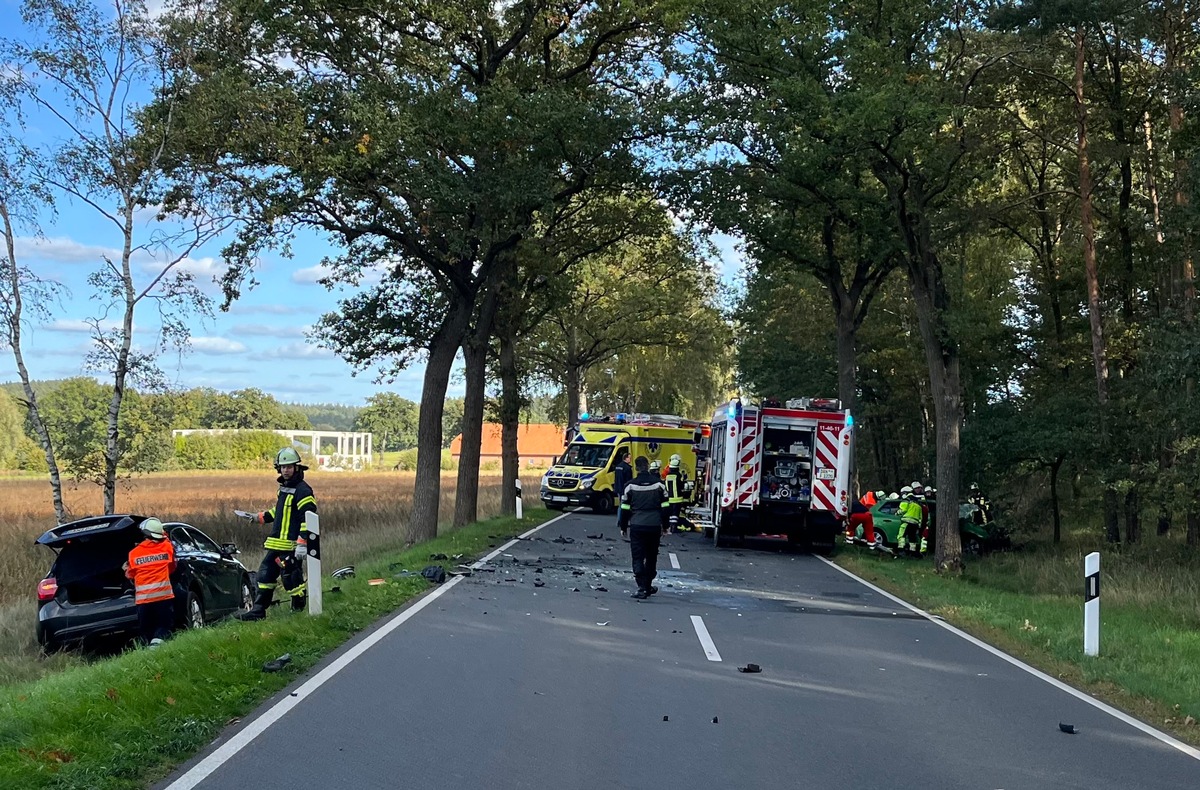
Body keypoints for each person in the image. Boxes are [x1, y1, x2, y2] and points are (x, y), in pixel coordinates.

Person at [236, 447, 318, 620]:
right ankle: (258, 611)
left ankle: (298, 610)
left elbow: (308, 517)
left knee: (291, 578)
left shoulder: (303, 490)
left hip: (291, 545)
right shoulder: (284, 488)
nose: (286, 470)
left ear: (296, 467)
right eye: (283, 467)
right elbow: (278, 512)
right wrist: (258, 517)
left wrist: (302, 542)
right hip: (276, 544)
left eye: (289, 467)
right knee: (264, 576)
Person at [619, 456, 670, 600]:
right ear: (647, 466)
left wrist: (623, 526)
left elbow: (624, 509)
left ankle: (642, 586)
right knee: (652, 555)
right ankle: (647, 585)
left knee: (638, 556)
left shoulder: (630, 486)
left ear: (636, 468)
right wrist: (665, 526)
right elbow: (666, 507)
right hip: (654, 525)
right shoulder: (659, 485)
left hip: (637, 525)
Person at [123, 517, 177, 647]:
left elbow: (130, 574)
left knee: (147, 631)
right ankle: (156, 647)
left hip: (144, 601)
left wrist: (126, 569)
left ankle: (150, 649)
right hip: (163, 597)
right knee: (164, 626)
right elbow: (172, 567)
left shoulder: (134, 554)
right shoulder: (167, 548)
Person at [663, 454, 689, 532]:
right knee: (675, 514)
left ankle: (670, 527)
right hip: (677, 498)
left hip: (669, 498)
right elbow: (681, 486)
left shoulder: (667, 476)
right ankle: (674, 527)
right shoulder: (678, 475)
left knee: (671, 514)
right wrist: (684, 479)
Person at [896, 486, 924, 556]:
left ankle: (901, 551)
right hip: (915, 524)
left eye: (902, 493)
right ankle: (912, 552)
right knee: (912, 539)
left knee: (901, 536)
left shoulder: (906, 499)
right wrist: (919, 525)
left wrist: (897, 513)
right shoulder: (918, 502)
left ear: (905, 493)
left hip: (906, 522)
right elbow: (921, 516)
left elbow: (903, 510)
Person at [612, 450, 633, 529]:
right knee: (624, 506)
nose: (630, 460)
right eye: (629, 458)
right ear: (626, 458)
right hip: (624, 489)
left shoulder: (618, 466)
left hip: (618, 488)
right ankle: (622, 521)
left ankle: (619, 521)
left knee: (620, 505)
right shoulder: (627, 468)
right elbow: (628, 481)